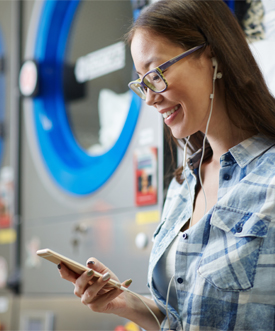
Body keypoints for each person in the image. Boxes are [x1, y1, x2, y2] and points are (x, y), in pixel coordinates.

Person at [58, 0, 275, 330]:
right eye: (142, 82)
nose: (149, 97)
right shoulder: (183, 186)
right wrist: (126, 302)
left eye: (157, 73)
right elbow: (181, 315)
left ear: (212, 55)